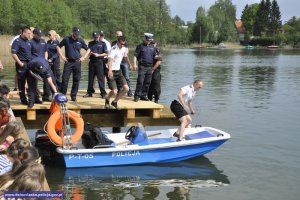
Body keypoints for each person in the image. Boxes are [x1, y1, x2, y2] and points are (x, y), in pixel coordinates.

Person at [57, 27, 90, 101]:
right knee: (65, 79)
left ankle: (73, 95)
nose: (77, 35)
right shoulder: (66, 39)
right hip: (68, 62)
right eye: (76, 34)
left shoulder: (80, 40)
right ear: (73, 33)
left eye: (78, 34)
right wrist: (62, 56)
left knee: (76, 79)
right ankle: (63, 95)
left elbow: (88, 49)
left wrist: (84, 57)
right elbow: (58, 47)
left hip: (77, 62)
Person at [105, 36, 132, 110]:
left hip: (118, 71)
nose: (122, 45)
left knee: (126, 88)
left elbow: (126, 57)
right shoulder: (113, 49)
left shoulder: (123, 48)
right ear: (117, 41)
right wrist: (110, 71)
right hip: (111, 70)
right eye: (121, 44)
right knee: (114, 91)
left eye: (124, 44)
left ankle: (114, 102)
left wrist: (130, 64)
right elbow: (110, 60)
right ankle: (107, 99)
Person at [133, 33, 159, 102]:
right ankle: (137, 96)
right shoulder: (140, 46)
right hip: (142, 66)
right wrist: (134, 64)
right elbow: (135, 56)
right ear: (144, 39)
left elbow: (155, 56)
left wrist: (159, 57)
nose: (149, 41)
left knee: (147, 82)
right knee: (140, 81)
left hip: (149, 67)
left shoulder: (152, 47)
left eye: (150, 40)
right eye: (147, 40)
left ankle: (143, 95)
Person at [11, 26, 33, 105]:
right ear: (23, 33)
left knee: (30, 82)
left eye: (30, 33)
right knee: (21, 83)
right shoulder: (17, 41)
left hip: (29, 64)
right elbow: (13, 53)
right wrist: (20, 63)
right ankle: (23, 100)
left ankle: (31, 99)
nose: (30, 35)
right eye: (28, 33)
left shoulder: (28, 41)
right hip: (21, 64)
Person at [83, 31, 108, 98]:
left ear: (99, 36)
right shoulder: (90, 43)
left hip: (99, 61)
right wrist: (90, 53)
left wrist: (99, 55)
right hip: (92, 61)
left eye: (97, 37)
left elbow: (106, 53)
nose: (96, 38)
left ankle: (103, 93)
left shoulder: (103, 43)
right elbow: (88, 52)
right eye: (94, 37)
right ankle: (89, 93)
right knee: (90, 78)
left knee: (101, 78)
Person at [111, 31, 133, 97]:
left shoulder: (124, 42)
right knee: (117, 77)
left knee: (126, 77)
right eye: (117, 36)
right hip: (116, 63)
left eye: (119, 35)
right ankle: (119, 90)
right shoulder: (113, 43)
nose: (118, 37)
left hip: (123, 62)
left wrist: (130, 64)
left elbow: (126, 52)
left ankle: (129, 91)